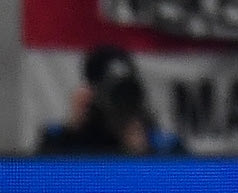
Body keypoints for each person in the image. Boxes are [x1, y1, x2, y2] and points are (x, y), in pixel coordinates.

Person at [39, 44, 184, 155]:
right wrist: (71, 132)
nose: (121, 101)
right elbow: (44, 177)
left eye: (126, 93)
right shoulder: (63, 138)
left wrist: (143, 153)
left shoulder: (161, 144)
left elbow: (182, 179)